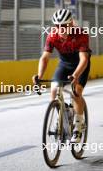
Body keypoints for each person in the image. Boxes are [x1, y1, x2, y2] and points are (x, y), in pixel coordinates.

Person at [33, 9, 91, 143]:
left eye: (64, 25)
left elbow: (84, 59)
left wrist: (76, 75)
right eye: (57, 26)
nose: (60, 28)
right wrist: (39, 76)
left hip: (80, 65)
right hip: (64, 64)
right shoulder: (52, 36)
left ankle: (78, 125)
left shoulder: (81, 34)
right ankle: (61, 118)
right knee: (53, 89)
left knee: (76, 92)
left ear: (71, 23)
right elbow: (45, 58)